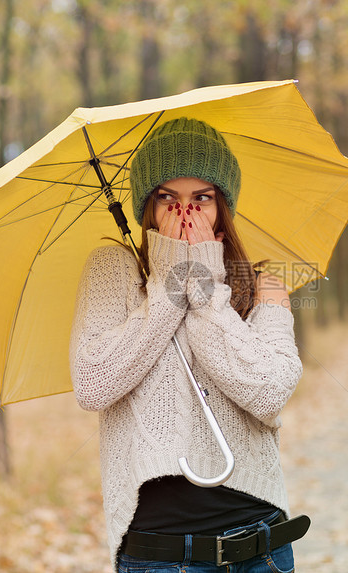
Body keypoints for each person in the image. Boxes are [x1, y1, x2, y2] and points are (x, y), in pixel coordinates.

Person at [70, 117, 308, 572]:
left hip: (262, 549)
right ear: (146, 207)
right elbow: (93, 383)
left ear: (223, 207)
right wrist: (175, 282)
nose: (185, 213)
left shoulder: (263, 286)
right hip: (160, 557)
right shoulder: (113, 269)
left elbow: (269, 391)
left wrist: (203, 285)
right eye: (168, 197)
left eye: (202, 198)